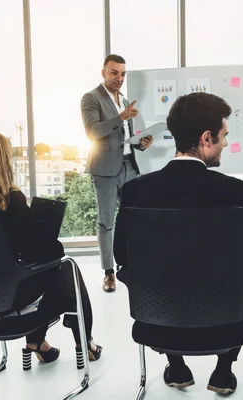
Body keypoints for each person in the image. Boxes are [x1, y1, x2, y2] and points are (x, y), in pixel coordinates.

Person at [113, 93, 243, 395]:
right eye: (224, 135)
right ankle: (223, 371)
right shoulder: (233, 191)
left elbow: (120, 255)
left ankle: (176, 365)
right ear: (206, 137)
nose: (225, 142)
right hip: (226, 324)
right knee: (242, 275)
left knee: (166, 274)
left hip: (155, 323)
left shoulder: (136, 192)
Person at [0, 131, 103, 365]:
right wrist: (37, 227)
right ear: (2, 161)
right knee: (68, 269)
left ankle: (39, 344)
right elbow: (51, 253)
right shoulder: (10, 199)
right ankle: (84, 344)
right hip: (5, 304)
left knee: (44, 273)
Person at [81, 54, 154, 293]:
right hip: (105, 169)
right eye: (114, 73)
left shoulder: (124, 100)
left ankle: (133, 265)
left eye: (123, 74)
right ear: (103, 72)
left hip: (129, 165)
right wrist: (120, 117)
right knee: (106, 223)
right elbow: (93, 132)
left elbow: (125, 137)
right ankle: (109, 273)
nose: (119, 78)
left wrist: (142, 143)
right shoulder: (91, 98)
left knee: (136, 216)